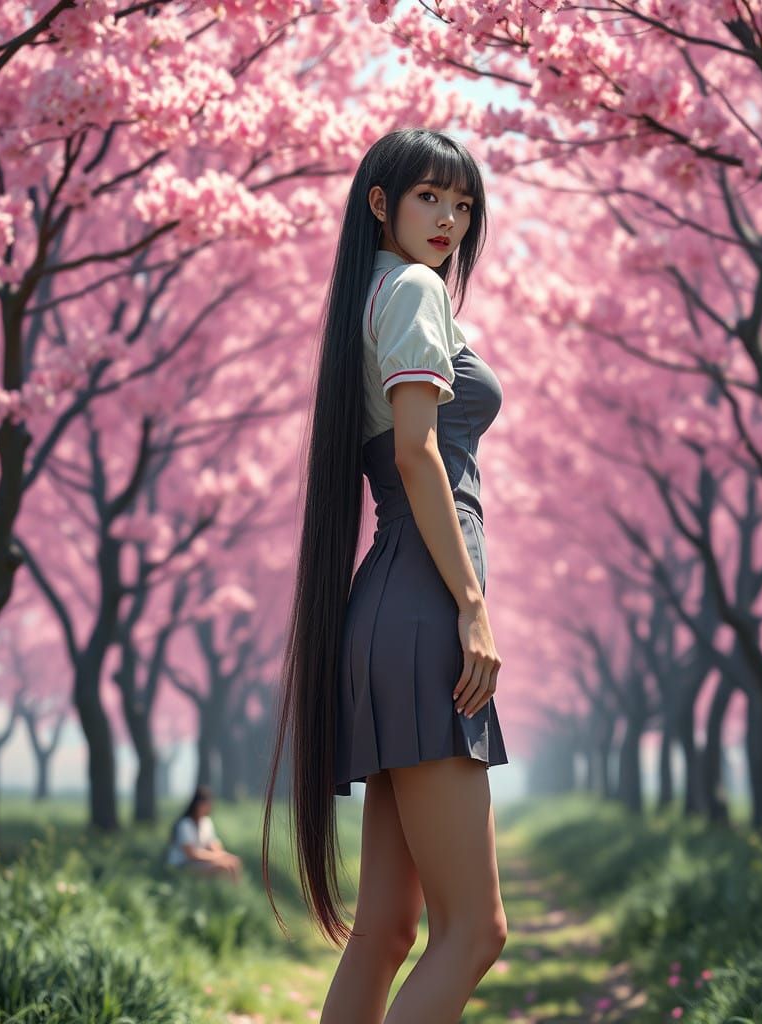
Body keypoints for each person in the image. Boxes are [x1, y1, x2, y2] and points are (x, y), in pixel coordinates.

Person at [260, 127, 509, 1022]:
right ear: (380, 203)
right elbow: (415, 453)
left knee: (387, 930)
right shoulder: (412, 288)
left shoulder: (372, 292)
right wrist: (472, 606)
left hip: (388, 604)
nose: (450, 220)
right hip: (422, 604)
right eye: (428, 197)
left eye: (463, 204)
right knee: (475, 931)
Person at [166, 784, 242, 883]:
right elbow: (191, 854)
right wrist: (217, 856)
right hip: (182, 864)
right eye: (208, 803)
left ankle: (231, 888)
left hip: (198, 861)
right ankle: (219, 889)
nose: (211, 807)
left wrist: (223, 855)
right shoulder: (185, 824)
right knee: (222, 867)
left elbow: (213, 844)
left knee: (233, 862)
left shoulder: (206, 822)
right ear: (198, 804)